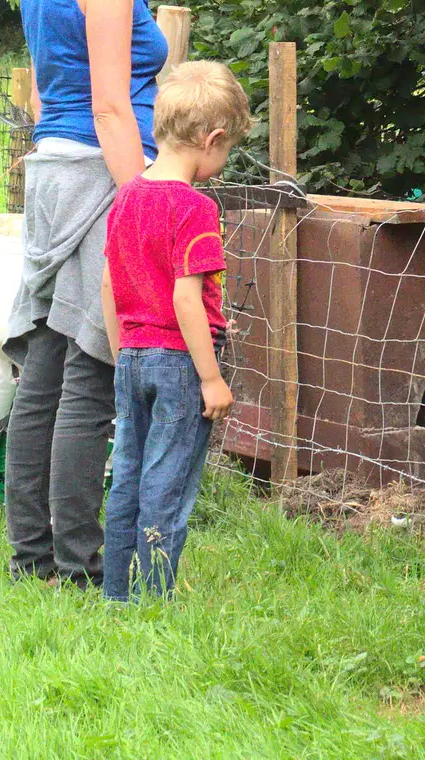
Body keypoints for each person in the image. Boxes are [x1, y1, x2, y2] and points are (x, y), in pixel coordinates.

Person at [4, 0, 183, 588]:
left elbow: (47, 89)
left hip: (51, 167)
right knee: (87, 365)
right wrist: (145, 203)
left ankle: (31, 557)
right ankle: (77, 563)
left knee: (45, 361)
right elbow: (113, 106)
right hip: (99, 173)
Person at [100, 61, 249, 601]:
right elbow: (186, 298)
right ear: (211, 139)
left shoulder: (127, 197)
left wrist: (124, 354)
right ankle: (154, 601)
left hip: (133, 356)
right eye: (226, 148)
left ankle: (117, 593)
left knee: (128, 480)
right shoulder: (195, 208)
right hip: (180, 365)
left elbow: (109, 285)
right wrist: (210, 378)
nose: (223, 159)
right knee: (168, 485)